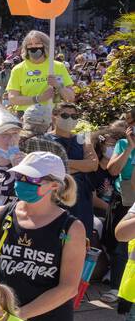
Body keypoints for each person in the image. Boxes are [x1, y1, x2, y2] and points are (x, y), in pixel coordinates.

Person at [0, 152, 85, 321]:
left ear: (54, 186)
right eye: (20, 176)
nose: (22, 183)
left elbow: (68, 288)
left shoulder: (71, 228)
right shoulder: (0, 216)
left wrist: (20, 314)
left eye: (32, 180)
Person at [48, 100, 98, 245]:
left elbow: (93, 165)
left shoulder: (82, 139)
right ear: (54, 116)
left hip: (81, 198)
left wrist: (63, 163)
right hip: (58, 195)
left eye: (74, 116)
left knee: (80, 240)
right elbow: (50, 169)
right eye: (64, 115)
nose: (70, 119)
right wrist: (82, 165)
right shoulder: (46, 139)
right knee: (58, 240)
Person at [5, 30, 75, 112]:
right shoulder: (18, 69)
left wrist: (58, 85)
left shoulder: (58, 67)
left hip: (52, 115)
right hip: (26, 117)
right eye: (30, 44)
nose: (34, 47)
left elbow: (70, 98)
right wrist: (39, 98)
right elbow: (13, 99)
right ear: (25, 48)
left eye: (38, 43)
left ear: (45, 46)